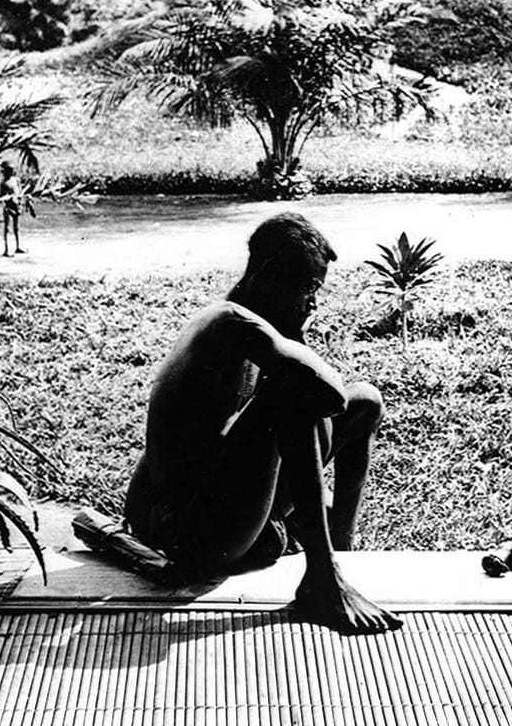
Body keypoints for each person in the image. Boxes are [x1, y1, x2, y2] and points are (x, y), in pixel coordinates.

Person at [124, 212, 402, 635]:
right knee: (294, 392)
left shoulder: (253, 326)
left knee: (366, 401)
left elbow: (339, 403)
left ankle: (339, 553)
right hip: (190, 532)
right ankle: (322, 577)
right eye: (309, 289)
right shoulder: (228, 322)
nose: (314, 304)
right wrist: (295, 340)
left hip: (226, 512)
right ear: (270, 274)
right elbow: (323, 392)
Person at [0, 160, 26, 257]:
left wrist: (20, 199)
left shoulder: (16, 180)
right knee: (7, 228)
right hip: (8, 207)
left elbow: (19, 191)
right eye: (8, 170)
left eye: (11, 170)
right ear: (4, 171)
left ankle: (18, 247)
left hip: (16, 205)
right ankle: (6, 250)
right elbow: (0, 197)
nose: (9, 172)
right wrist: (5, 198)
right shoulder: (3, 183)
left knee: (17, 228)